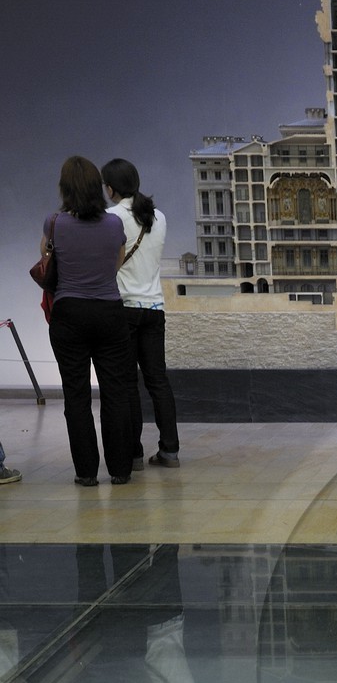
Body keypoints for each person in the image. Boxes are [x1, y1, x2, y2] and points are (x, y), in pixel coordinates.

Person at [44, 155, 134, 486]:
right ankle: (121, 470)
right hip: (109, 311)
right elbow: (117, 262)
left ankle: (86, 473)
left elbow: (46, 261)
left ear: (65, 189)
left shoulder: (54, 223)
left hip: (69, 314)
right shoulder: (113, 225)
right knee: (116, 392)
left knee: (77, 395)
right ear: (99, 188)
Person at [102, 158, 181, 470]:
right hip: (154, 308)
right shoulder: (158, 216)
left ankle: (134, 453)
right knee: (157, 380)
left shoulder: (111, 218)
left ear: (111, 188)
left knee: (127, 383)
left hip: (123, 308)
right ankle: (170, 450)